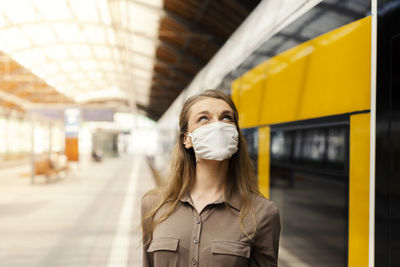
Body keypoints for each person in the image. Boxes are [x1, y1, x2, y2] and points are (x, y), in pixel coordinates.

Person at [141, 90, 280, 267]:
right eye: (204, 119)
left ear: (235, 135)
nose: (218, 126)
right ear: (187, 140)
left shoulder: (263, 213)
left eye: (227, 118)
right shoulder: (153, 205)